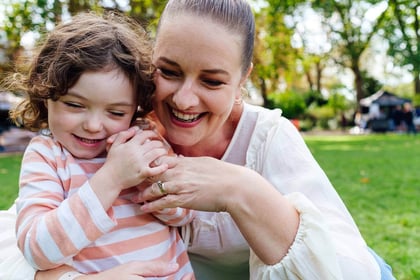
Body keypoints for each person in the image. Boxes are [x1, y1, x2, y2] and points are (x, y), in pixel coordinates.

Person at [1, 0, 395, 279]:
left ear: (243, 80)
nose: (184, 99)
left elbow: (349, 269)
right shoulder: (121, 135)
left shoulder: (267, 138)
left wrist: (240, 189)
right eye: (169, 72)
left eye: (212, 80)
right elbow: (19, 238)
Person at [1, 12, 194, 280]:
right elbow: (38, 251)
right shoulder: (47, 156)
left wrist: (151, 182)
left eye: (115, 113)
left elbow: (184, 214)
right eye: (75, 105)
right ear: (46, 95)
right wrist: (112, 178)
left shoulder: (142, 138)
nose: (93, 125)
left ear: (134, 109)